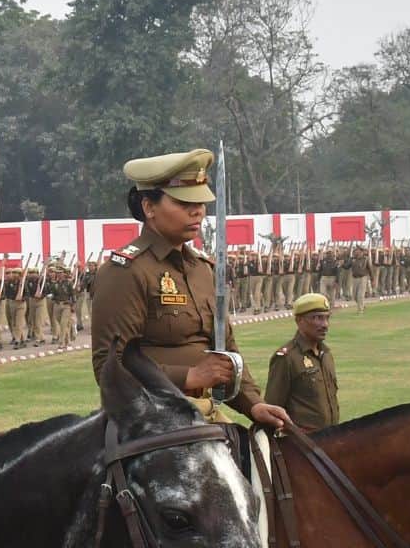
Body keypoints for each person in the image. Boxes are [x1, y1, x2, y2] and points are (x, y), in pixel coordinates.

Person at [89, 148, 291, 430]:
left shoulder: (202, 270)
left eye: (200, 202)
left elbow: (226, 352)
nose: (197, 211)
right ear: (149, 207)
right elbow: (109, 368)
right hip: (150, 422)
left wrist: (253, 403)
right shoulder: (125, 272)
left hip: (204, 416)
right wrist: (188, 377)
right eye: (184, 202)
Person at [264, 293, 340, 433]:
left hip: (331, 440)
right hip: (302, 446)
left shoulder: (326, 354)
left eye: (327, 318)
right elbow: (273, 408)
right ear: (299, 321)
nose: (325, 325)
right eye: (317, 318)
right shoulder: (286, 358)